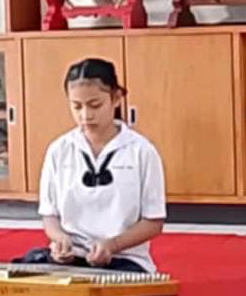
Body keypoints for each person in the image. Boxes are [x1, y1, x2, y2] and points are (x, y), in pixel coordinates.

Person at [15, 58, 165, 273]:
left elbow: (153, 222)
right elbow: (49, 215)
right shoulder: (59, 149)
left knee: (110, 287)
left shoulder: (142, 151)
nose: (85, 115)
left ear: (116, 99)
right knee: (22, 275)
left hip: (124, 258)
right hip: (72, 257)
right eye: (76, 106)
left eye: (95, 105)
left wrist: (112, 245)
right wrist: (60, 240)